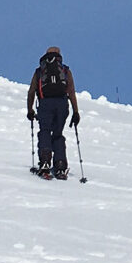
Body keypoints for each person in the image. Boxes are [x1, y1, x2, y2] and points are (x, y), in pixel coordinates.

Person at [27, 47, 79, 178]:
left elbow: (31, 91)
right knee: (57, 134)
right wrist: (76, 112)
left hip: (45, 104)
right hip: (62, 105)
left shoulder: (40, 71)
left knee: (45, 131)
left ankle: (45, 161)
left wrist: (30, 110)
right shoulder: (65, 70)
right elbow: (71, 92)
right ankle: (60, 165)